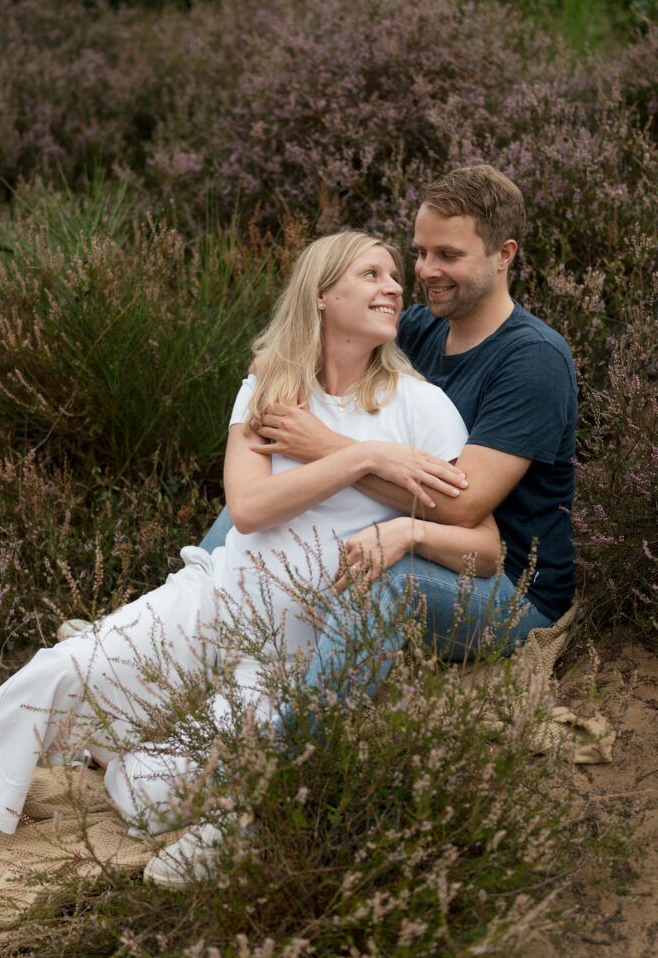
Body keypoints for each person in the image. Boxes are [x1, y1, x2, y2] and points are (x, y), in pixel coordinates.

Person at [0, 230, 500, 882]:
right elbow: (248, 508)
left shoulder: (424, 409)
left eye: (395, 275)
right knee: (64, 667)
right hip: (217, 600)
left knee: (153, 798)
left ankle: (112, 753)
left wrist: (408, 533)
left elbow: (486, 545)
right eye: (372, 274)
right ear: (322, 296)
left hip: (296, 646)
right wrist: (359, 454)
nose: (395, 286)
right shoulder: (271, 388)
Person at [202, 164, 577, 695]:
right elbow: (293, 346)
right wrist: (271, 369)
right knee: (260, 501)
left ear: (504, 255)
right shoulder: (420, 328)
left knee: (386, 585)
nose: (425, 271)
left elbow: (460, 506)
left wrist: (327, 450)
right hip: (406, 533)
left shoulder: (532, 360)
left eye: (448, 255)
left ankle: (292, 730)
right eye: (421, 252)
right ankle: (177, 622)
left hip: (501, 585)